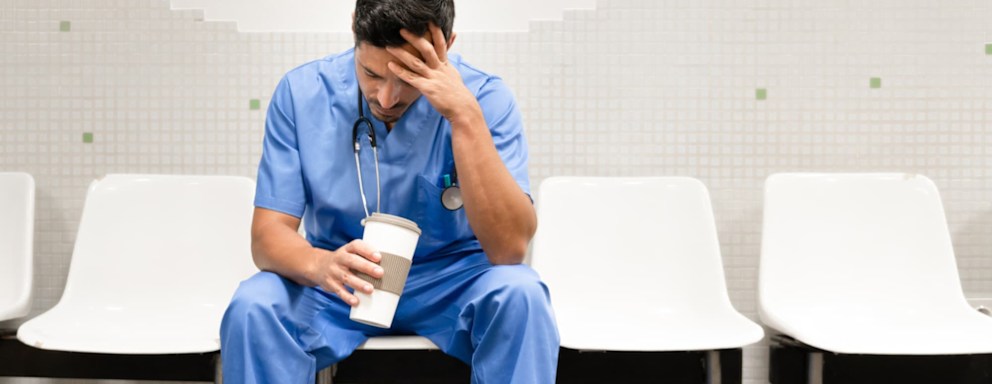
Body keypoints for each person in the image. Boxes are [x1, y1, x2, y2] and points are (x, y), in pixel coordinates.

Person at [219, 0, 560, 382]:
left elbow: (510, 249)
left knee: (522, 294)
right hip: (340, 283)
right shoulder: (301, 94)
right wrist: (320, 265)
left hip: (451, 282)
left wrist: (464, 116)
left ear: (447, 44)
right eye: (371, 73)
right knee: (255, 305)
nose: (386, 99)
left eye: (409, 77)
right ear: (354, 30)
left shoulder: (487, 98)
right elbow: (267, 237)